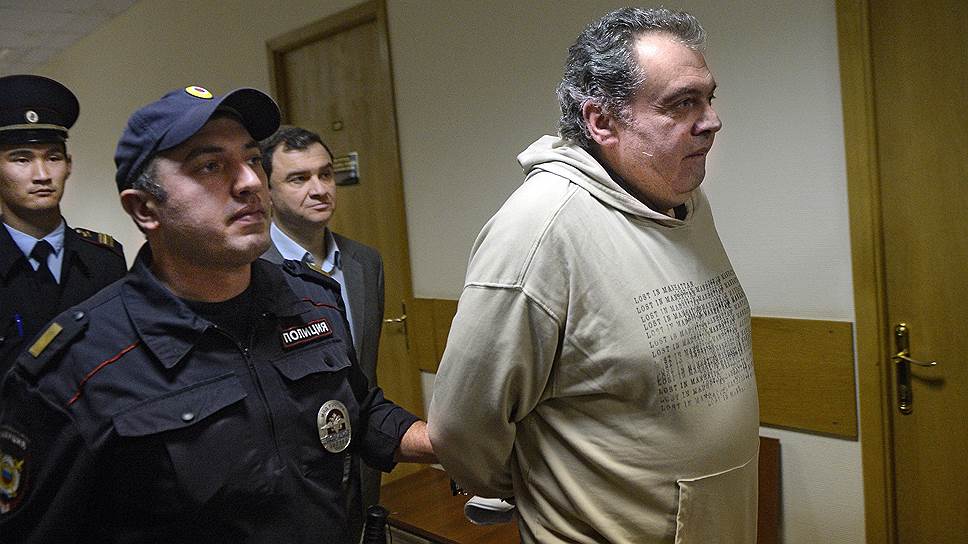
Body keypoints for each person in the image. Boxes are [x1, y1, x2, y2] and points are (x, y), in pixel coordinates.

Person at [0, 84, 434, 543]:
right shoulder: (77, 367)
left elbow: (356, 410)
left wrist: (437, 440)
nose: (250, 182)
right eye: (210, 166)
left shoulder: (313, 301)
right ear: (145, 208)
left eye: (252, 159)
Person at [429, 7, 758, 543]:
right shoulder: (540, 227)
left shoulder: (684, 201)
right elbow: (461, 431)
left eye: (708, 98)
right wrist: (550, 488)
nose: (711, 120)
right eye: (682, 103)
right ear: (601, 122)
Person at [259, 125, 387, 535]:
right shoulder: (252, 271)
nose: (319, 189)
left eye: (326, 174)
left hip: (359, 455)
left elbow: (364, 371)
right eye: (298, 179)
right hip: (292, 468)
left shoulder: (365, 262)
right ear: (267, 191)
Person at [0, 75, 126, 376]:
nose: (42, 175)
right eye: (21, 160)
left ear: (69, 165)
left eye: (53, 158)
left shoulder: (104, 260)